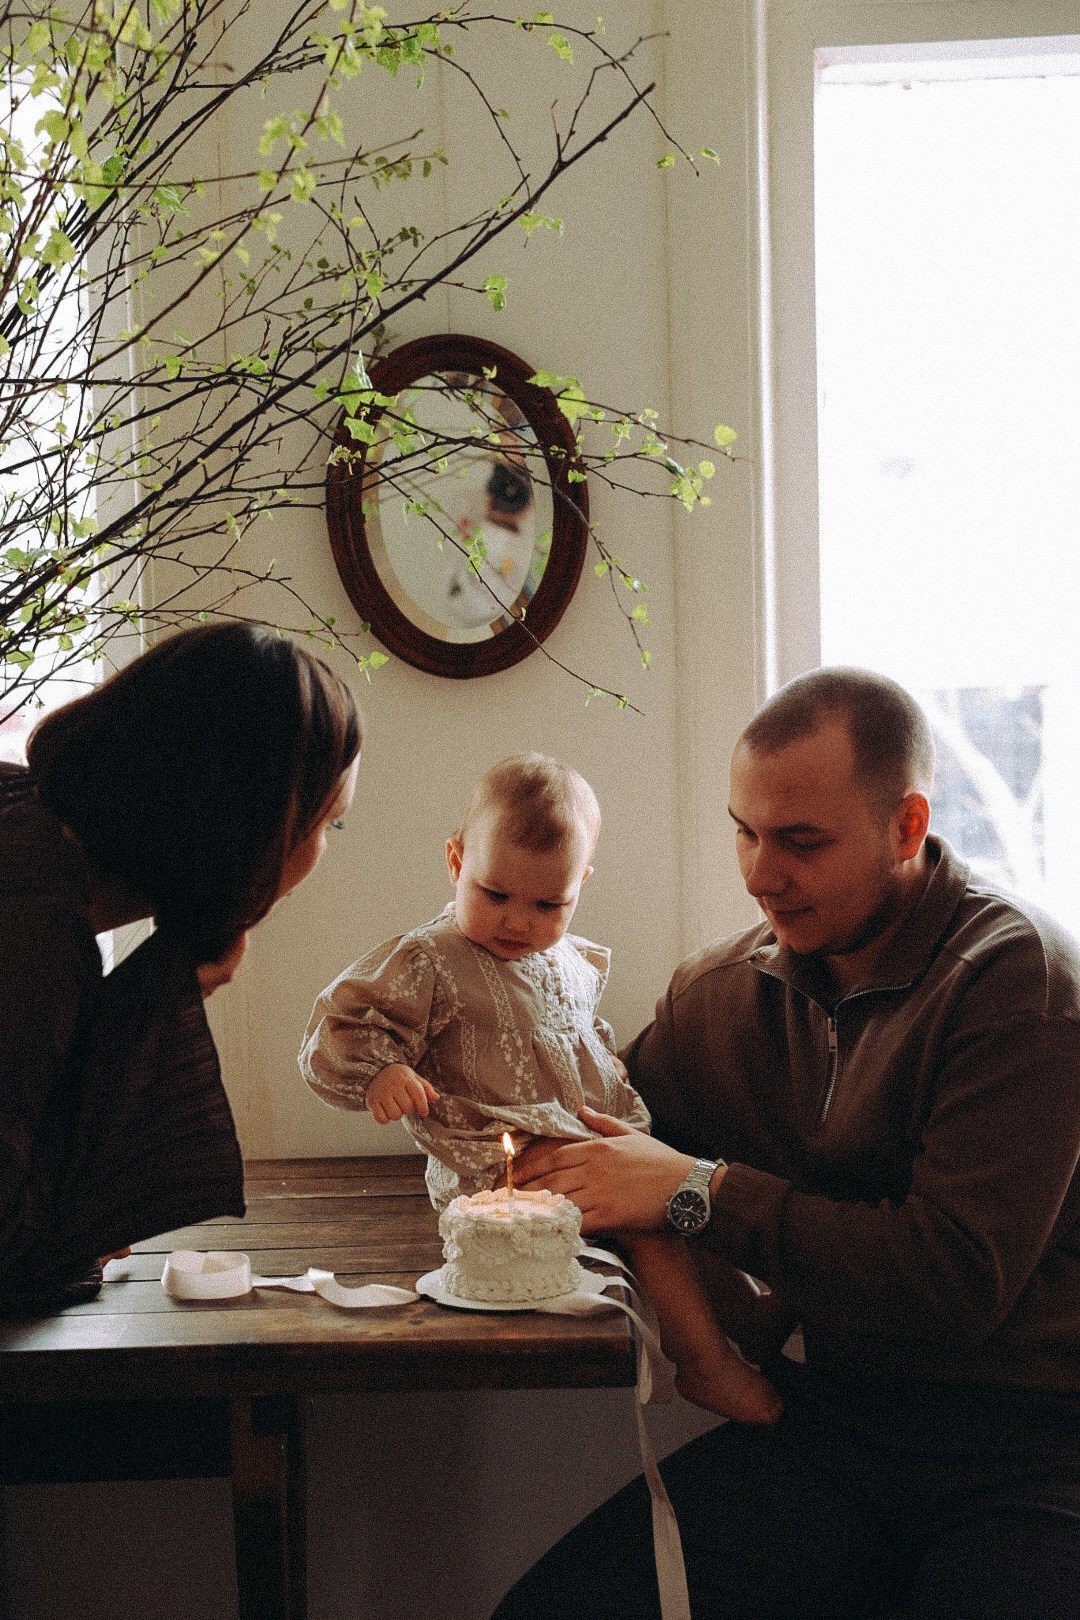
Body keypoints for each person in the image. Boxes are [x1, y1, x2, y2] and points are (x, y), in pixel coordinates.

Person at [496, 668, 1080, 1620]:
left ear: (906, 826)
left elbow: (954, 1281)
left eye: (802, 841)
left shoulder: (1016, 981)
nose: (763, 873)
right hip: (826, 1420)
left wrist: (698, 1195)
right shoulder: (719, 997)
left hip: (1028, 1439)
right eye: (745, 832)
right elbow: (584, 1148)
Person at [300, 753, 781, 1423]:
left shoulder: (564, 958)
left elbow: (576, 1027)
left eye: (548, 903)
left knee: (679, 1191)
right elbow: (342, 1024)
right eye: (495, 894)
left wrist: (607, 1064)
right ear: (456, 861)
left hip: (575, 1139)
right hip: (500, 1164)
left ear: (579, 884)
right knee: (649, 1224)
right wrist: (381, 1071)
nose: (519, 921)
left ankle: (747, 1318)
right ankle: (704, 1363)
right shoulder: (431, 958)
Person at [0, 622, 361, 1313]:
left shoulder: (27, 832)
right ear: (240, 828)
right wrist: (160, 1004)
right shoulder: (33, 931)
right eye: (324, 825)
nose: (319, 855)